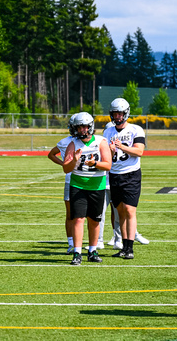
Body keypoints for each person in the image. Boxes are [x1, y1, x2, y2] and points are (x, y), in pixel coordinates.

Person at [63, 112, 112, 265]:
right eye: (79, 127)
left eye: (84, 126)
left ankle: (92, 250)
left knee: (95, 220)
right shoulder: (73, 144)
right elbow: (66, 168)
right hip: (78, 185)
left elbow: (108, 165)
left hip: (97, 185)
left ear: (90, 127)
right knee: (78, 219)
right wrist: (75, 160)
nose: (82, 130)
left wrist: (95, 164)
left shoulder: (101, 142)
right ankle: (77, 253)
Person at [103, 98, 146, 260]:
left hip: (131, 174)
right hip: (114, 175)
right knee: (119, 211)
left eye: (120, 113)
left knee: (129, 210)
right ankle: (123, 246)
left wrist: (122, 147)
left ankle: (130, 247)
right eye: (115, 113)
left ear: (126, 113)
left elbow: (139, 151)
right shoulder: (108, 132)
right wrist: (112, 151)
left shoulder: (136, 129)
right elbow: (107, 156)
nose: (117, 116)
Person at [47, 114, 77, 254]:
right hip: (71, 180)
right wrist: (64, 165)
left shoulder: (93, 141)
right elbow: (51, 154)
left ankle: (90, 243)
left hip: (88, 179)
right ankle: (71, 243)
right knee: (70, 214)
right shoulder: (65, 142)